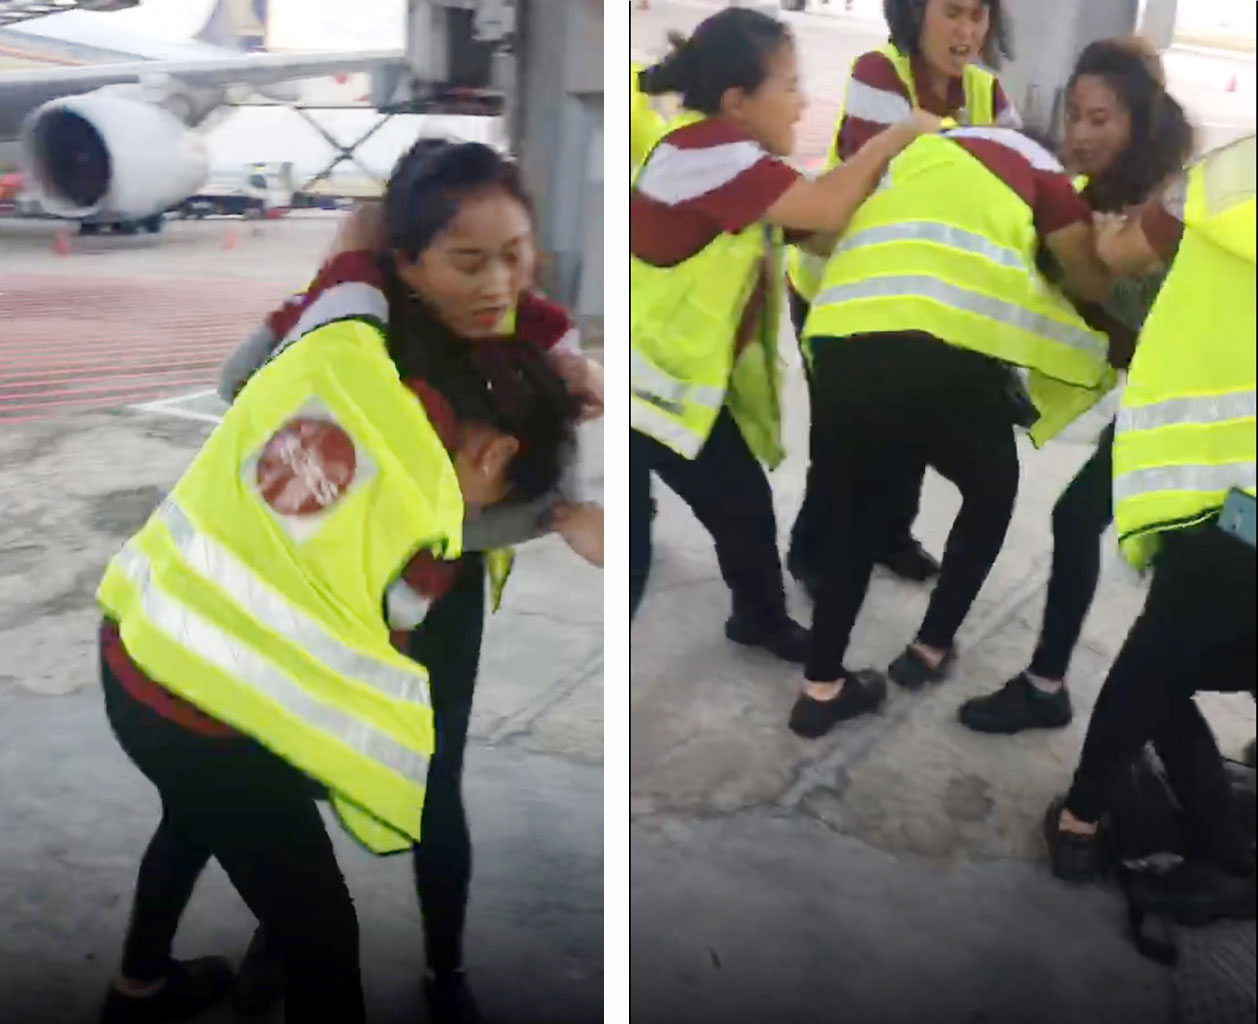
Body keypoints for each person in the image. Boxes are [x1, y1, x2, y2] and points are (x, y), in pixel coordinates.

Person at [108, 141, 598, 1024]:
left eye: (515, 253)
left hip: (425, 597)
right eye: (467, 260)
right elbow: (246, 385)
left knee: (422, 788)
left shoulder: (531, 339)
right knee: (263, 782)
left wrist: (560, 391)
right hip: (327, 592)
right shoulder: (353, 339)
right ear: (403, 259)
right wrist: (539, 514)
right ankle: (270, 940)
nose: (497, 282)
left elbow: (536, 470)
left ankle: (440, 969)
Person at [789, 123, 1118, 738]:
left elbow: (817, 238)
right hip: (939, 344)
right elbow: (1089, 277)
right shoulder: (1039, 167)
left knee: (857, 514)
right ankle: (929, 649)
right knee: (992, 490)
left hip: (842, 333)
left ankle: (820, 689)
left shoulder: (915, 155)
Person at [629, 7, 939, 657]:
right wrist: (895, 137)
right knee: (714, 517)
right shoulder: (707, 153)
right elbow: (824, 208)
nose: (802, 104)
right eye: (791, 85)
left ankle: (758, 617)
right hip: (652, 390)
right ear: (737, 102)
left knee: (735, 507)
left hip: (663, 385)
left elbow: (819, 228)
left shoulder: (718, 155)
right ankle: (758, 621)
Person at [958, 36, 1194, 734]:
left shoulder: (1168, 202)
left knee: (1188, 569)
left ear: (1140, 123)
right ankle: (1047, 684)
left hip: (1201, 405)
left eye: (1101, 118)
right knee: (1110, 532)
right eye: (1075, 116)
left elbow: (1135, 304)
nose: (1081, 134)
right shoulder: (1095, 200)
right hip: (1163, 399)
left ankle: (1049, 688)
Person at [1045, 133, 1255, 895]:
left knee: (1156, 669)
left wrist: (1099, 221)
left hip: (1227, 498)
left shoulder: (1234, 171)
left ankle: (1083, 826)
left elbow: (1122, 254)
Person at [786, 0, 1021, 592]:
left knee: (908, 427)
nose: (966, 31)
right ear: (916, 12)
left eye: (978, 16)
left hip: (920, 295)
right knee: (843, 433)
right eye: (952, 13)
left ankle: (890, 535)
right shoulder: (878, 73)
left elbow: (1021, 179)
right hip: (838, 288)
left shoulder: (988, 92)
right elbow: (904, 184)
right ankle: (814, 551)